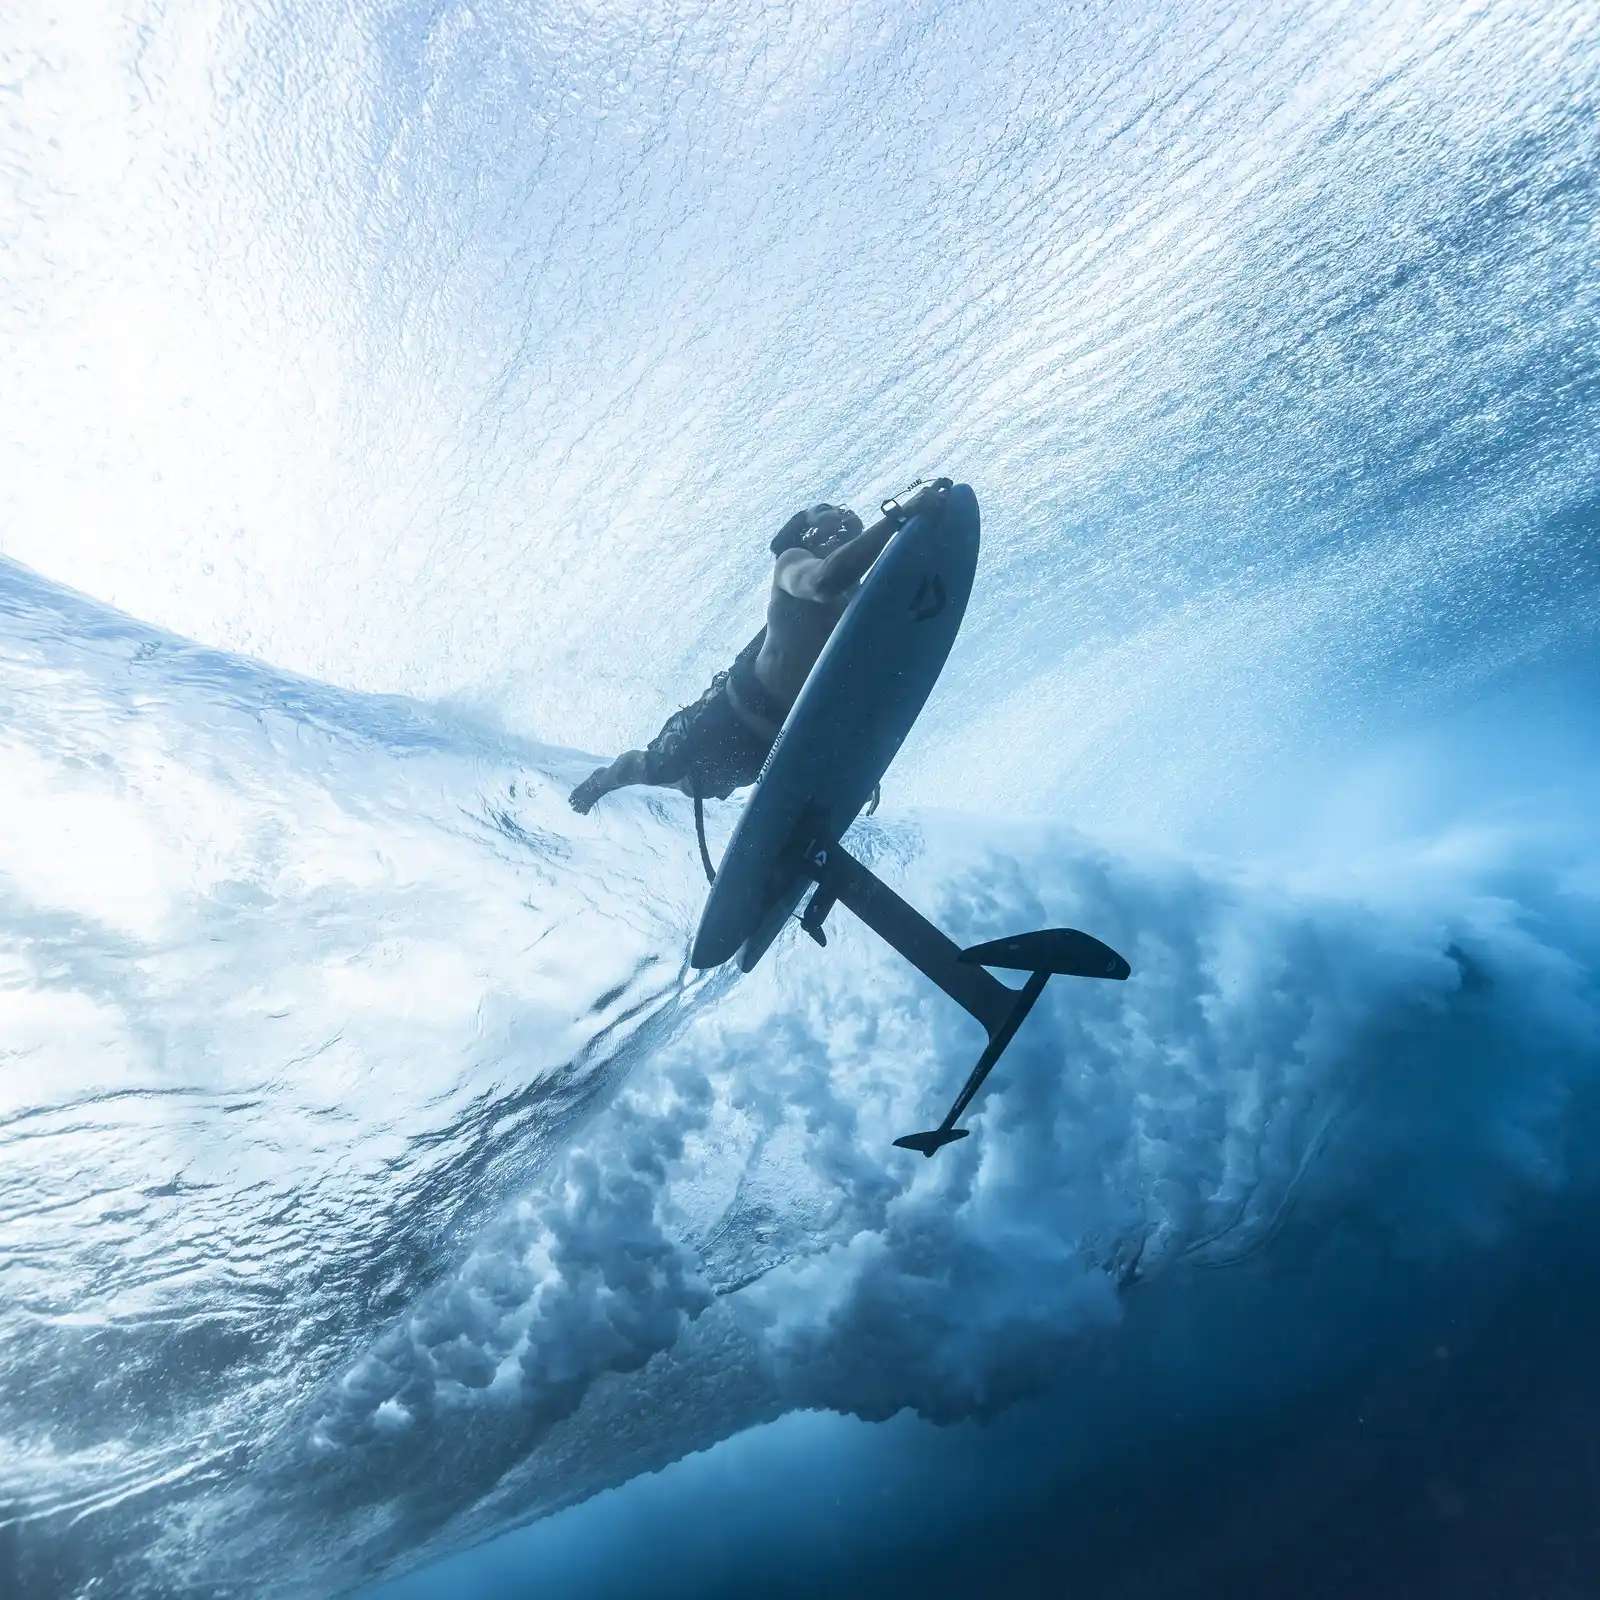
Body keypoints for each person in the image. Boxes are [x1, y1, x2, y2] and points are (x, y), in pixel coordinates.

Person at [569, 501, 896, 813]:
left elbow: (856, 690)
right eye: (824, 509)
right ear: (805, 533)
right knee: (662, 772)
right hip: (726, 723)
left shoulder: (860, 597)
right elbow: (824, 582)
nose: (839, 510)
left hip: (777, 745)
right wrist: (895, 519)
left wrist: (860, 764)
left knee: (715, 784)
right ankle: (603, 780)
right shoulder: (792, 562)